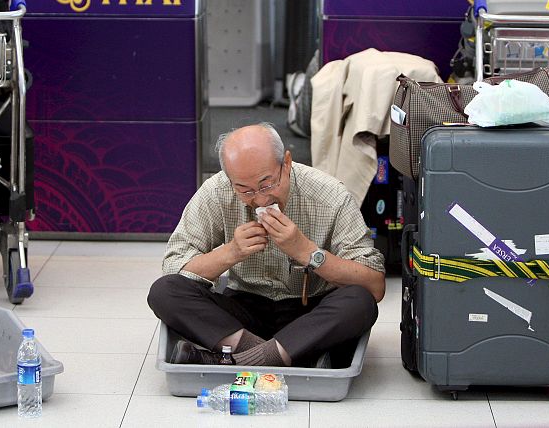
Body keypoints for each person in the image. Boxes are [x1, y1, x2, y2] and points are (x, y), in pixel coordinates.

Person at [148, 123, 385, 367]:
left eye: (267, 184)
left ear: (287, 163)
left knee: (360, 302)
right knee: (164, 291)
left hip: (310, 313)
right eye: (245, 190)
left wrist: (307, 252)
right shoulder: (217, 191)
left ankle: (230, 360)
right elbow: (174, 267)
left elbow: (375, 285)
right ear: (229, 179)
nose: (260, 199)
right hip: (244, 310)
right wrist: (231, 252)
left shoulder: (330, 195)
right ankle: (286, 355)